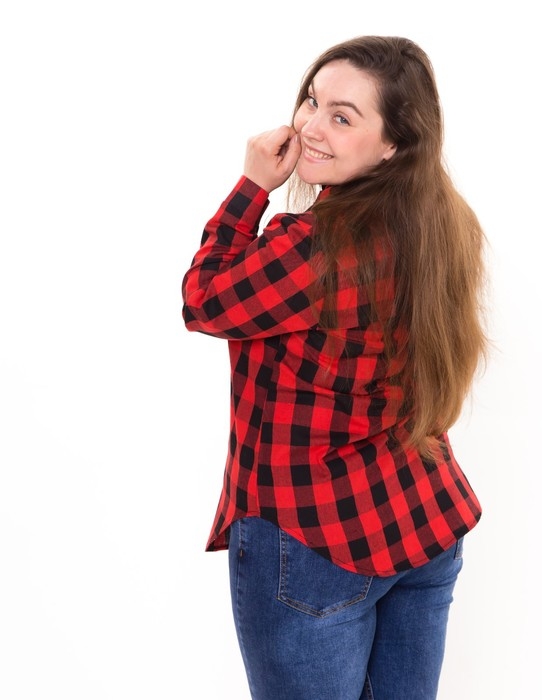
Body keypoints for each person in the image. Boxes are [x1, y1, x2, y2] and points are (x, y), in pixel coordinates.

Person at [182, 35, 488, 700]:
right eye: (312, 101)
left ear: (394, 144)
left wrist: (252, 187)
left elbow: (203, 300)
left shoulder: (314, 249)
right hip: (421, 517)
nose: (310, 127)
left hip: (314, 540)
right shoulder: (442, 223)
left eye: (342, 117)